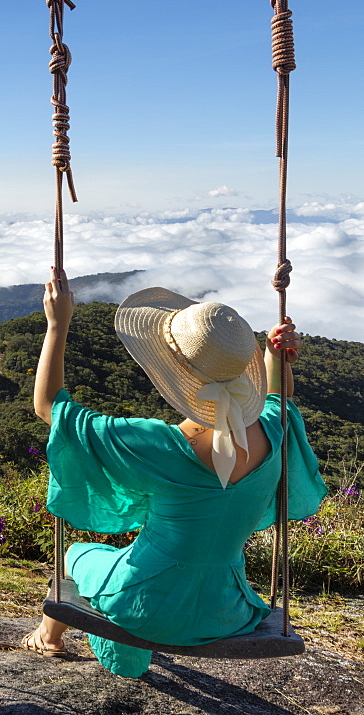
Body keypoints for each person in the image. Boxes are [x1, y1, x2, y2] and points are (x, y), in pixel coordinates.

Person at [21, 269, 328, 677]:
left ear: (174, 372)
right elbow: (279, 398)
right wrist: (276, 358)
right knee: (136, 580)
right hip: (227, 610)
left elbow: (51, 408)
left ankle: (49, 637)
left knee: (77, 555)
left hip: (143, 603)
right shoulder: (277, 432)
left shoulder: (158, 445)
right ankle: (122, 642)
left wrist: (57, 325)